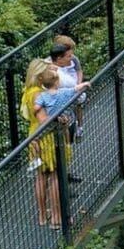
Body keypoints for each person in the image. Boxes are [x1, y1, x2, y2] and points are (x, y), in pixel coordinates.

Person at [34, 69, 90, 229]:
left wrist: (38, 109)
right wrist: (85, 84)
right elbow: (76, 89)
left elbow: (36, 108)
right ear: (57, 82)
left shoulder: (42, 96)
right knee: (57, 173)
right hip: (61, 126)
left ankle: (36, 151)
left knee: (38, 140)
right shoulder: (64, 93)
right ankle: (59, 218)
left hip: (46, 128)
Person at [21, 59, 59, 228]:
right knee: (54, 175)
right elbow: (44, 119)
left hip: (33, 133)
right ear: (40, 75)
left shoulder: (28, 91)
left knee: (40, 175)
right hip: (46, 136)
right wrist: (59, 117)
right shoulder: (39, 93)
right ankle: (57, 216)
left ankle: (43, 215)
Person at [50, 36, 86, 140]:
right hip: (62, 87)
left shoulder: (73, 59)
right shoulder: (52, 62)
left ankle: (80, 126)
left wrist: (78, 83)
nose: (71, 55)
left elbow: (79, 70)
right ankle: (69, 127)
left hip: (73, 83)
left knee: (78, 103)